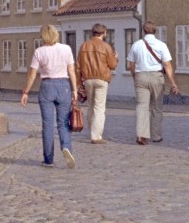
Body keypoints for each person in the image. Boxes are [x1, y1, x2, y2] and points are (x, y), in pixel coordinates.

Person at [20, 24, 79, 168]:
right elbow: (71, 70)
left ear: (43, 36)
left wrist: (25, 92)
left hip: (47, 86)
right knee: (63, 123)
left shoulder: (39, 52)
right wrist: (75, 90)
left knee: (47, 125)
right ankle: (66, 147)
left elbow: (32, 74)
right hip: (64, 86)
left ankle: (48, 159)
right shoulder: (66, 49)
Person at [126, 22, 178, 145]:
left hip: (141, 76)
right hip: (156, 77)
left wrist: (135, 76)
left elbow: (131, 65)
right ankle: (156, 135)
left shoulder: (136, 45)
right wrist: (173, 82)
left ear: (144, 31)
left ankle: (142, 135)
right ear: (155, 31)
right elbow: (167, 65)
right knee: (156, 107)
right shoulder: (161, 45)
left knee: (141, 106)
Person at [74, 24, 118, 143]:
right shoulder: (106, 47)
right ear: (103, 33)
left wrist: (79, 84)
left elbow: (77, 67)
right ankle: (96, 135)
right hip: (102, 79)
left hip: (88, 79)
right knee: (99, 108)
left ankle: (92, 130)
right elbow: (112, 65)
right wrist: (116, 58)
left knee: (91, 106)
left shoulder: (83, 46)